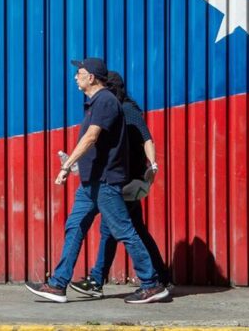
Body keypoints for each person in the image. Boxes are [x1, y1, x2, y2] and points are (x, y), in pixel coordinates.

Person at [25, 58, 169, 304]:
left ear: (91, 77)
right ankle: (58, 285)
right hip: (91, 182)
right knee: (75, 227)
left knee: (124, 230)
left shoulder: (105, 101)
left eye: (79, 73)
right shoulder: (96, 103)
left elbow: (92, 137)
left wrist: (68, 165)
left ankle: (152, 283)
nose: (75, 77)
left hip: (104, 181)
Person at [69, 71, 170, 298]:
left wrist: (152, 166)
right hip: (122, 178)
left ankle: (104, 280)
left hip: (128, 180)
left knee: (119, 230)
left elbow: (146, 138)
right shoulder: (113, 108)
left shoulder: (125, 109)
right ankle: (158, 277)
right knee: (128, 230)